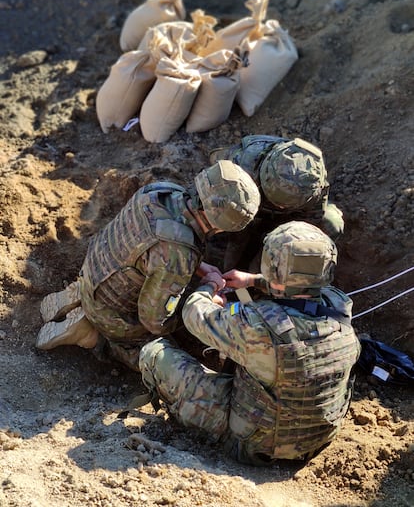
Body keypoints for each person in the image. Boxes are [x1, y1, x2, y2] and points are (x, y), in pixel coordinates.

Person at [139, 221, 361, 465]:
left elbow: (194, 314)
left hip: (253, 447)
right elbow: (303, 289)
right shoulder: (340, 308)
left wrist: (209, 286)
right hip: (317, 442)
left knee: (154, 353)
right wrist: (254, 281)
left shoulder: (257, 327)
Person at [36, 160, 261, 371]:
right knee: (168, 361)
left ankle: (80, 295)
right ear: (220, 224)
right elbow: (156, 322)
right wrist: (207, 294)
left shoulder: (162, 191)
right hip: (112, 315)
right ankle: (93, 335)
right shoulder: (178, 254)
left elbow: (150, 246)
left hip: (96, 268)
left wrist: (199, 267)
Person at [206, 134, 344, 271]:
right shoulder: (244, 162)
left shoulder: (312, 185)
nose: (280, 206)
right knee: (232, 233)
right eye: (278, 202)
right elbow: (211, 183)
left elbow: (309, 223)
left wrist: (264, 268)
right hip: (245, 204)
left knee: (331, 223)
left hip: (287, 218)